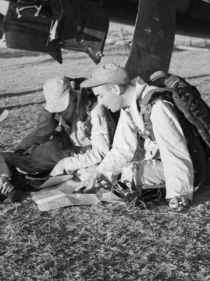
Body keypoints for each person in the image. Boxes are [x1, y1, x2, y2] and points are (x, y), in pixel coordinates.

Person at [75, 63, 194, 212]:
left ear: (116, 89)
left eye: (101, 96)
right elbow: (122, 148)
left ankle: (171, 189)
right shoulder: (129, 105)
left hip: (186, 167)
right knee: (121, 173)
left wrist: (179, 194)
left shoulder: (157, 106)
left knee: (131, 174)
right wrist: (99, 174)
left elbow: (175, 151)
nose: (101, 103)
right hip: (160, 160)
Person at [6, 76, 114, 177]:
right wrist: (19, 151)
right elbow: (41, 133)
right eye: (55, 108)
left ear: (72, 95)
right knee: (40, 154)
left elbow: (101, 151)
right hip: (69, 151)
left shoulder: (94, 109)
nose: (60, 112)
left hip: (92, 155)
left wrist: (65, 164)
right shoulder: (52, 111)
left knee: (90, 173)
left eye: (63, 107)